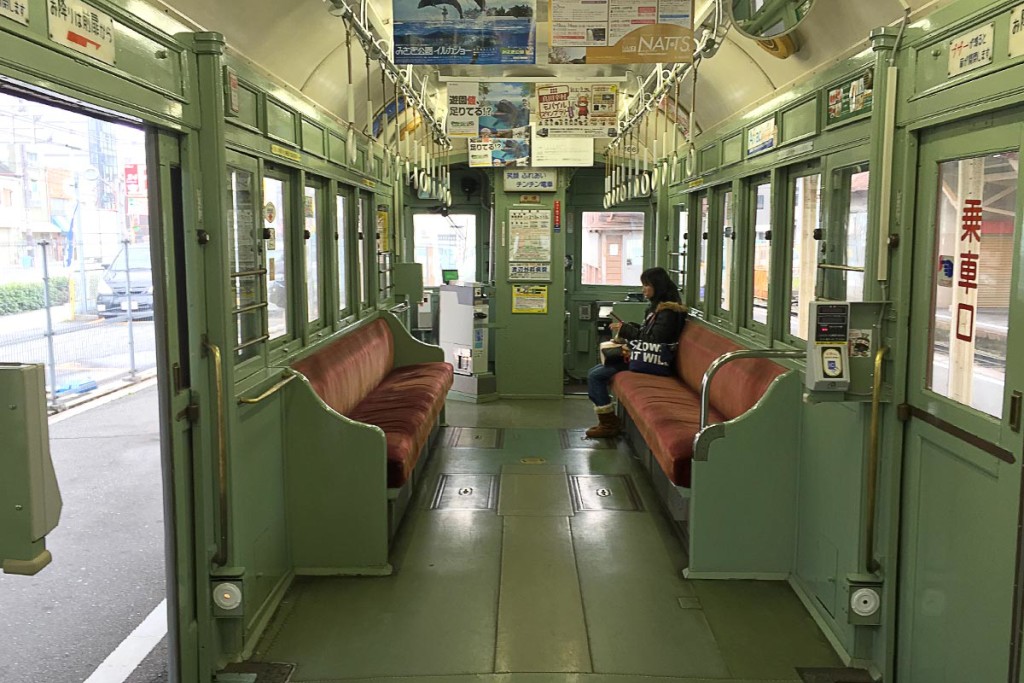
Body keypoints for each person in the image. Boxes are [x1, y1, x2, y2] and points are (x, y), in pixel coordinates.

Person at [585, 267, 688, 439]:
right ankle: (608, 420)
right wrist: (629, 328)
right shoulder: (657, 308)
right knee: (595, 371)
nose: (643, 289)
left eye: (647, 285)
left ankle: (609, 423)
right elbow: (649, 333)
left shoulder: (668, 312)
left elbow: (654, 341)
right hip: (645, 354)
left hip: (652, 359)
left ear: (658, 286)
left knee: (595, 376)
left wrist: (627, 330)